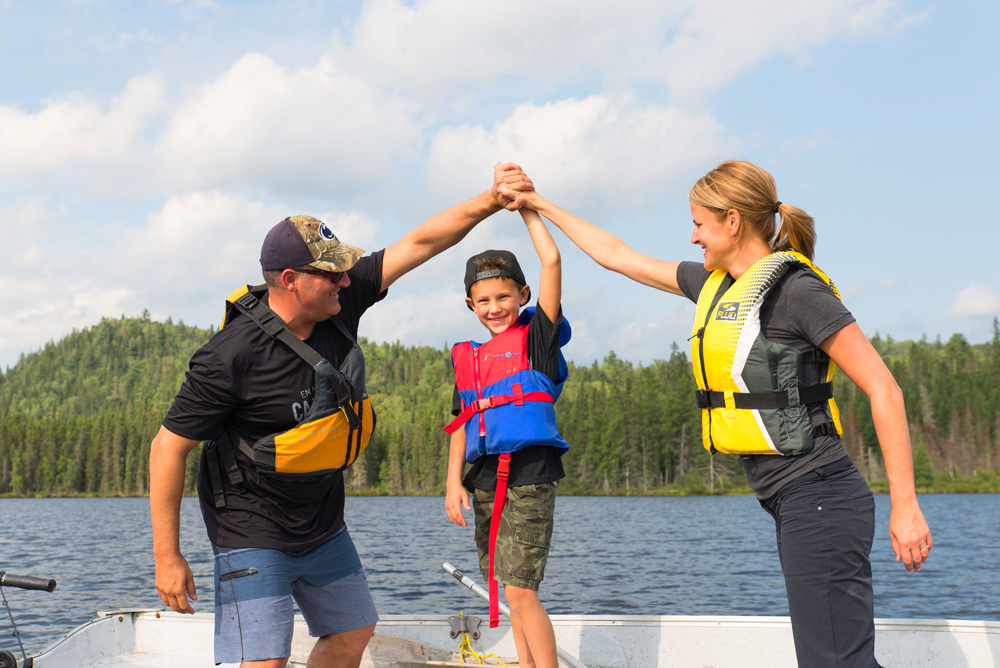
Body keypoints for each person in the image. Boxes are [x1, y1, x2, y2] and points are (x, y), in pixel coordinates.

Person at [498, 160, 933, 668]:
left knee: (836, 662)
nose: (692, 237)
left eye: (699, 224)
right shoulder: (715, 285)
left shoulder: (797, 292)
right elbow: (616, 255)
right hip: (791, 495)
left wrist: (905, 505)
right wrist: (537, 203)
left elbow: (885, 388)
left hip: (820, 495)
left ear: (732, 221)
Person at [149, 165, 534, 668]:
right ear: (289, 280)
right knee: (264, 661)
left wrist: (490, 199)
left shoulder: (339, 303)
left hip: (322, 522)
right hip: (249, 527)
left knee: (354, 630)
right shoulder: (229, 356)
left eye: (344, 270)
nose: (346, 280)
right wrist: (167, 557)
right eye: (330, 272)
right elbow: (168, 448)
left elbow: (418, 243)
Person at [443, 207, 569, 668]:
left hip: (529, 472)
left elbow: (552, 259)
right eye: (484, 300)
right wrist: (452, 483)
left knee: (520, 589)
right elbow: (461, 424)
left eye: (504, 297)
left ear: (524, 294)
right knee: (505, 585)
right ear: (470, 306)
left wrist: (529, 208)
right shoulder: (468, 359)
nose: (495, 308)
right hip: (483, 479)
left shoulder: (538, 338)